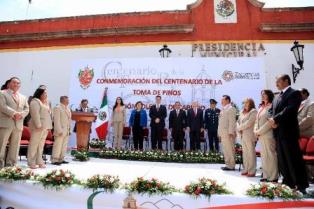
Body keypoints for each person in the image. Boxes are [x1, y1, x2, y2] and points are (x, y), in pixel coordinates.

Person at [269, 74, 309, 193]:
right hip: (278, 132)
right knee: (282, 159)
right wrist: (272, 119)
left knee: (293, 159)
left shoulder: (294, 93)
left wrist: (275, 120)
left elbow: (290, 110)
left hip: (289, 133)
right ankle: (288, 182)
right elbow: (271, 110)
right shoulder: (277, 96)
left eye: (278, 81)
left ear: (286, 81)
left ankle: (301, 185)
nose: (276, 83)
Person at [0, 77, 29, 168]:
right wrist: (14, 113)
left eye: (18, 83)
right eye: (14, 82)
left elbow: (27, 109)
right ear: (9, 83)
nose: (16, 84)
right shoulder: (2, 93)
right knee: (2, 144)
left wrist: (21, 115)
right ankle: (0, 164)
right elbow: (2, 106)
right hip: (6, 123)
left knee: (15, 145)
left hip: (18, 124)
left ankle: (11, 165)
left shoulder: (23, 97)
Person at [254, 90, 278, 182]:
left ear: (269, 95)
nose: (262, 96)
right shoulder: (261, 107)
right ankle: (266, 175)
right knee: (264, 156)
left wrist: (259, 131)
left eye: (264, 94)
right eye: (262, 94)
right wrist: (255, 130)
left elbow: (270, 122)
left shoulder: (272, 106)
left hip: (268, 134)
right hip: (261, 135)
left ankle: (273, 177)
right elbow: (257, 121)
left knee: (271, 155)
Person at [27, 88, 52, 169]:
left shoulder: (46, 102)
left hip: (45, 127)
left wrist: (49, 126)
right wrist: (38, 125)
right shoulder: (35, 101)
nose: (46, 95)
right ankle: (31, 162)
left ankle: (39, 161)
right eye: (44, 93)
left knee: (40, 145)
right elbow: (35, 115)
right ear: (40, 94)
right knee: (34, 145)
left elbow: (48, 115)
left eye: (46, 93)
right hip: (38, 127)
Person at [237, 98, 258, 177]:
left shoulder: (253, 111)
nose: (245, 104)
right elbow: (238, 122)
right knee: (245, 153)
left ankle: (252, 170)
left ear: (251, 103)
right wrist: (238, 128)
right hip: (242, 135)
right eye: (244, 103)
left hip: (249, 135)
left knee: (251, 153)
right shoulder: (242, 112)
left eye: (247, 103)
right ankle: (246, 169)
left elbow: (249, 123)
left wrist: (239, 128)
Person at [51, 96, 71, 165]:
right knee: (58, 145)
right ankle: (55, 159)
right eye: (67, 100)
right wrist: (59, 130)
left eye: (68, 100)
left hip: (66, 130)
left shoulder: (68, 109)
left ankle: (61, 158)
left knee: (64, 146)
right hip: (60, 130)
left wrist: (69, 130)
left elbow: (69, 120)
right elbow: (56, 121)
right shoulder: (57, 108)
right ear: (62, 100)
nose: (68, 101)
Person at [218, 95, 237, 171]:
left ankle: (231, 165)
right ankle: (227, 164)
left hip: (228, 133)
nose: (221, 101)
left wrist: (231, 132)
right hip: (223, 133)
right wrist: (219, 133)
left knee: (230, 149)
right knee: (225, 149)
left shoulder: (231, 109)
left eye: (223, 100)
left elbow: (232, 122)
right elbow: (221, 123)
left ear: (228, 100)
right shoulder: (223, 109)